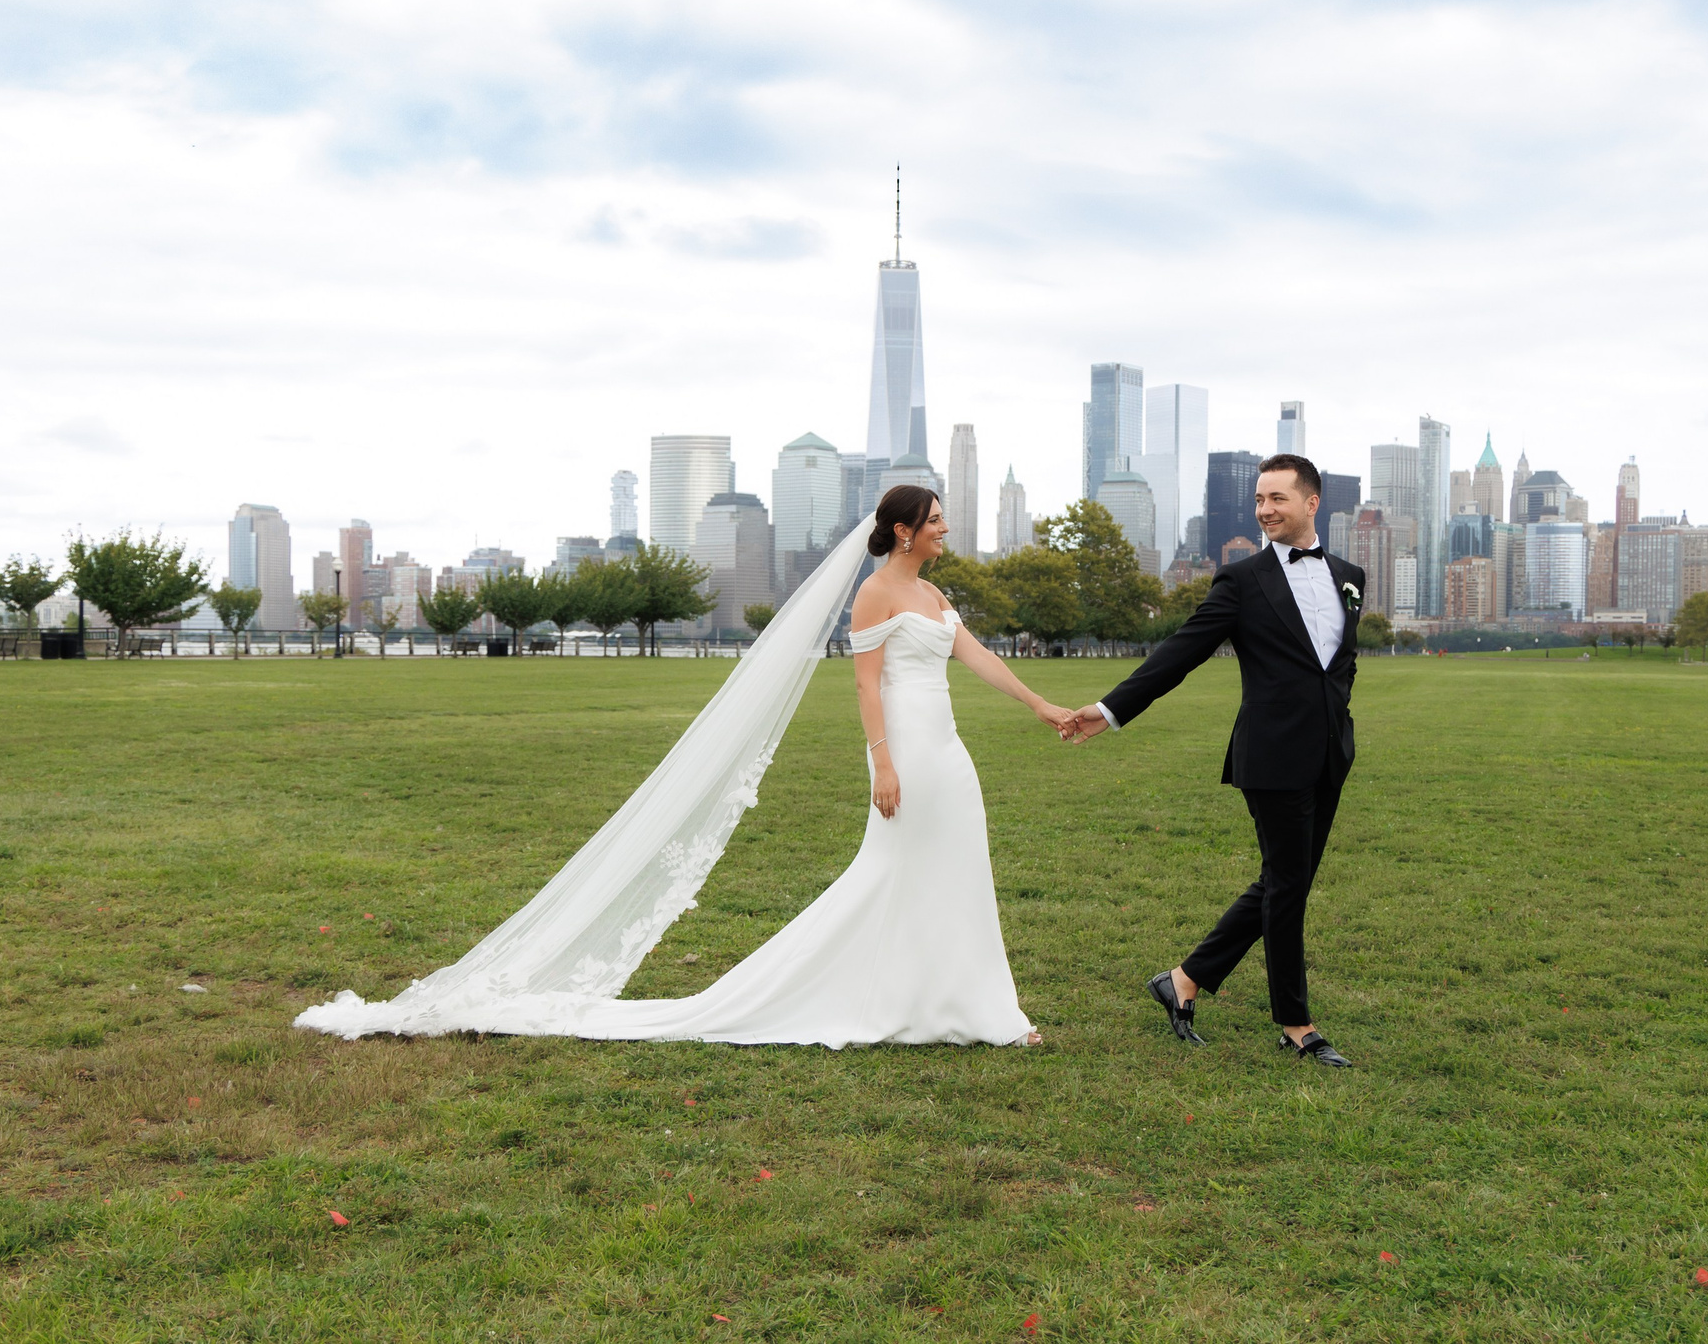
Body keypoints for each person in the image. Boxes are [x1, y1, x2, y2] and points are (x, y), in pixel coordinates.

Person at [296, 485, 1079, 1048]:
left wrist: (1042, 706)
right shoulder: (874, 597)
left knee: (955, 869)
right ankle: (941, 1006)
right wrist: (882, 763)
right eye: (936, 522)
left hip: (949, 749)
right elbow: (866, 684)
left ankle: (969, 1003)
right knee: (890, 873)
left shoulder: (936, 596)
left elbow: (978, 657)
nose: (946, 531)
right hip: (905, 746)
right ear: (904, 530)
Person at [1062, 453, 1366, 1067]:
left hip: (1330, 754)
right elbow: (1181, 652)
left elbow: (1340, 663)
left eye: (1277, 498)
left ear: (1312, 504)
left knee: (1288, 882)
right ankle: (1297, 1025)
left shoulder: (1350, 575)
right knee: (1288, 885)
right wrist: (1110, 708)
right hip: (1271, 755)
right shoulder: (1242, 580)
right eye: (1259, 499)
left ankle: (1182, 981)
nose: (1264, 509)